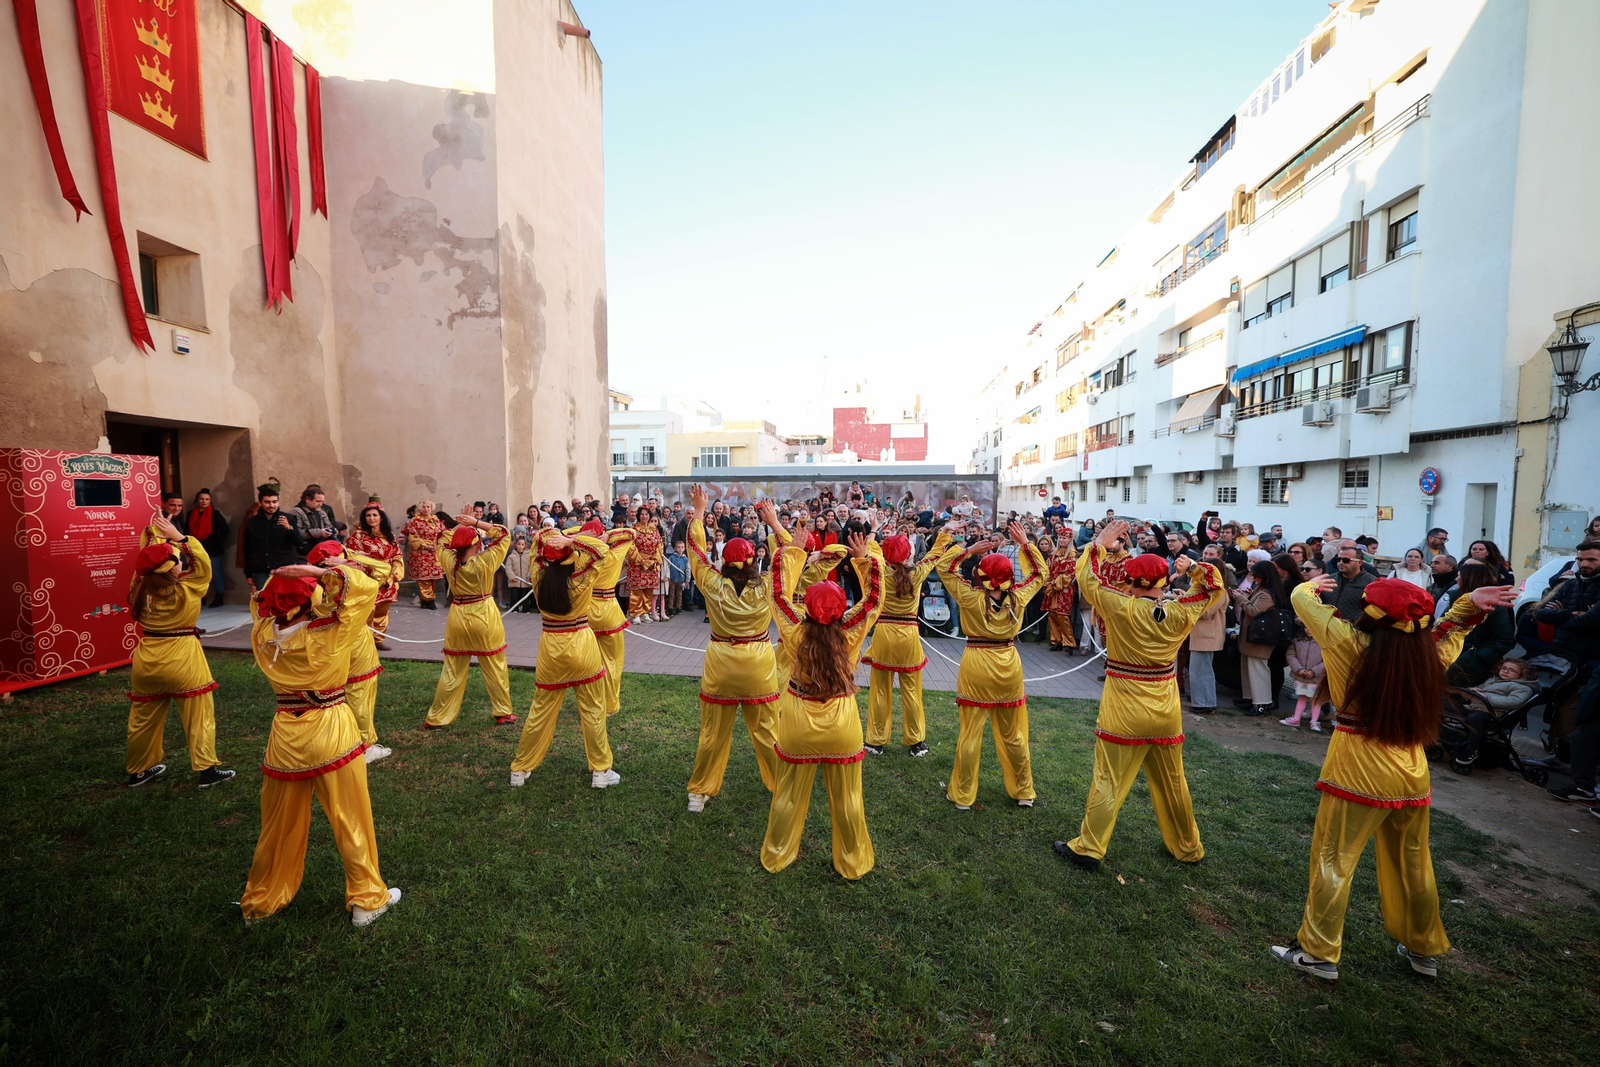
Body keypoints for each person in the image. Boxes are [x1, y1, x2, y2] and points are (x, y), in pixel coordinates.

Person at [1270, 572, 1513, 980]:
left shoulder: (1346, 641)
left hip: (1357, 770)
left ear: (1370, 612)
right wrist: (1470, 602)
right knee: (1414, 864)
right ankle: (1424, 949)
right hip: (1411, 771)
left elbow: (1299, 596)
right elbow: (1450, 628)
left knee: (1334, 860)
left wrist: (1312, 586)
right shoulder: (1427, 654)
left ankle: (1318, 953)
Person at [1053, 521, 1225, 870]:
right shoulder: (1181, 610)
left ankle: (1089, 848)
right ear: (1165, 581)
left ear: (1129, 580)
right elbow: (1214, 587)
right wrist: (1191, 567)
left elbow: (1088, 578)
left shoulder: (1119, 604)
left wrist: (1099, 543)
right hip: (1165, 709)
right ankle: (1187, 847)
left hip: (1123, 710)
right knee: (1174, 782)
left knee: (1109, 780)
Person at [240, 556, 400, 927]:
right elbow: (365, 588)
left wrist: (281, 579)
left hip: (284, 735)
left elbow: (263, 597)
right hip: (332, 731)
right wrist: (322, 571)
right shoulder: (331, 632)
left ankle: (261, 902)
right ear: (306, 600)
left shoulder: (261, 631)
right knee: (351, 818)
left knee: (278, 824)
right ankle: (367, 899)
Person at [761, 535, 882, 879]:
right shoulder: (852, 630)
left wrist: (795, 552)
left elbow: (777, 594)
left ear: (807, 607)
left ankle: (777, 855)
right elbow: (874, 600)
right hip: (842, 722)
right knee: (848, 800)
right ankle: (853, 862)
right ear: (842, 607)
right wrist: (866, 558)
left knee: (787, 795)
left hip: (798, 720)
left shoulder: (794, 629)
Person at [683, 489, 796, 813]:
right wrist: (774, 523)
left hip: (721, 664)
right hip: (758, 666)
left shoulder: (712, 582)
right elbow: (789, 556)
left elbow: (695, 550)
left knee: (712, 733)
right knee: (767, 731)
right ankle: (781, 788)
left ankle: (699, 793)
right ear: (753, 561)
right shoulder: (766, 587)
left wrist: (700, 509)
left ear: (724, 561)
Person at [936, 520, 1047, 810]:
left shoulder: (970, 596)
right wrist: (1026, 544)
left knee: (971, 732)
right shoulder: (1019, 597)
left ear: (981, 576)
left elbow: (943, 569)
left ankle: (962, 795)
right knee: (1013, 733)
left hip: (977, 663)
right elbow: (1040, 573)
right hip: (1008, 664)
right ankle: (1024, 792)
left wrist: (967, 549)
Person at [124, 515, 234, 789]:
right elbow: (203, 565)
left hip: (147, 660)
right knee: (199, 716)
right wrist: (181, 538)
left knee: (143, 718)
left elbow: (147, 559)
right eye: (177, 560)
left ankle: (139, 771)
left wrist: (154, 532)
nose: (181, 561)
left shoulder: (138, 588)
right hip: (184, 659)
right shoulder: (189, 588)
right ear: (172, 570)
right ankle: (207, 770)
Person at [509, 528, 619, 790]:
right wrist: (573, 538)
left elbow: (537, 541)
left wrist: (558, 536)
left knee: (540, 711)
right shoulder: (581, 579)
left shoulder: (538, 577)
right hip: (582, 645)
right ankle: (601, 771)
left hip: (551, 648)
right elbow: (602, 551)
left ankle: (521, 768)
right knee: (593, 710)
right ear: (571, 556)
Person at [860, 526, 952, 757]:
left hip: (884, 633)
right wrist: (946, 533)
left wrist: (872, 531)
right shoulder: (918, 573)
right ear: (909, 554)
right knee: (912, 691)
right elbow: (934, 555)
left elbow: (871, 553)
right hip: (909, 634)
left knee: (880, 690)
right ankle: (916, 742)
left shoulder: (879, 571)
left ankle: (875, 741)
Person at [422, 515, 517, 729]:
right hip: (483, 615)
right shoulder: (486, 561)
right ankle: (502, 713)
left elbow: (441, 539)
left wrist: (460, 527)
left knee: (452, 669)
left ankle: (437, 717)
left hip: (458, 615)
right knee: (495, 666)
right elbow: (503, 534)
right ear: (476, 543)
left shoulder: (449, 559)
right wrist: (474, 522)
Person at [307, 540, 393, 764]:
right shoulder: (356, 583)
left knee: (332, 695)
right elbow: (384, 568)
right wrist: (350, 560)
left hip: (325, 642)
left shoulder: (310, 585)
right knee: (360, 693)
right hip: (356, 642)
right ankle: (364, 748)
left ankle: (333, 743)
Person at [1539, 540, 1600, 805]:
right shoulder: (1571, 584)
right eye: (1581, 559)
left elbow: (1593, 621)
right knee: (1560, 706)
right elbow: (1541, 612)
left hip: (1592, 661)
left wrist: (1564, 614)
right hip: (1565, 657)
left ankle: (1581, 775)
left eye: (1591, 560)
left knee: (1580, 715)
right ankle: (1562, 757)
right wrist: (1572, 614)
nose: (1584, 564)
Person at [579, 518, 634, 718]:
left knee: (588, 663)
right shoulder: (613, 554)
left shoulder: (578, 555)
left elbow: (557, 536)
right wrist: (607, 535)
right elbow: (630, 533)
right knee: (613, 661)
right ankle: (610, 705)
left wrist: (582, 536)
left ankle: (591, 704)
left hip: (585, 612)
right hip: (609, 612)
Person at [1446, 658, 1539, 775]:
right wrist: (1470, 690)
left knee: (1474, 719)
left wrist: (1486, 698)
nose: (1505, 671)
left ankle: (1471, 750)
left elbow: (1514, 701)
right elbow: (1475, 691)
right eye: (1504, 668)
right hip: (1474, 707)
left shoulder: (1523, 688)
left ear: (1522, 674)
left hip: (1493, 713)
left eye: (1511, 670)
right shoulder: (1492, 680)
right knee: (1442, 706)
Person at [1444, 563, 1516, 687]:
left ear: (1470, 579)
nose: (1456, 579)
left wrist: (1473, 658)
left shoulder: (1493, 606)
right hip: (1446, 659)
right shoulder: (1453, 598)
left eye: (1459, 576)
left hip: (1468, 667)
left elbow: (1506, 640)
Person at [1235, 559, 1291, 715]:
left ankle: (1261, 703)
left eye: (1255, 575)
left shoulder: (1266, 593)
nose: (1253, 578)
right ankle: (1250, 698)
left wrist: (1240, 598)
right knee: (1248, 668)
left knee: (1258, 671)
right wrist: (1246, 596)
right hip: (1252, 637)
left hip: (1259, 639)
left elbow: (1253, 610)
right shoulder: (1262, 588)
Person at [346, 503, 404, 650]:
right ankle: (364, 640)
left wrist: (393, 576)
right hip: (368, 578)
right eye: (368, 515)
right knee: (367, 610)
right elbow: (354, 557)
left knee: (383, 610)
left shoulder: (389, 534)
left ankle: (378, 639)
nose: (371, 518)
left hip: (388, 579)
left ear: (381, 517)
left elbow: (397, 555)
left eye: (374, 515)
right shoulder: (358, 535)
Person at [1185, 554, 1226, 715]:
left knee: (1201, 671)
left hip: (1207, 637)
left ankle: (1205, 703)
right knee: (1199, 670)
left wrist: (1188, 605)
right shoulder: (1208, 591)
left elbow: (1206, 612)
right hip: (1202, 636)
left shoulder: (1219, 592)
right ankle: (1202, 701)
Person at [241, 484, 298, 594]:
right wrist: (248, 574)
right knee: (264, 604)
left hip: (283, 569)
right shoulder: (251, 522)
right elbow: (247, 549)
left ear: (278, 502)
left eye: (274, 502)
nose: (271, 505)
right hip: (260, 571)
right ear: (260, 503)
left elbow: (299, 542)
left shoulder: (288, 519)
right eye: (267, 502)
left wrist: (289, 528)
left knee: (285, 603)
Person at [184, 489, 229, 607]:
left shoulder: (215, 514)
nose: (204, 501)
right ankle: (201, 597)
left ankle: (219, 597)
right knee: (198, 573)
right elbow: (186, 531)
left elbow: (225, 529)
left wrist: (217, 542)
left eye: (207, 499)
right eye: (201, 499)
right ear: (197, 500)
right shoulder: (190, 514)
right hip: (196, 549)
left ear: (210, 501)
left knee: (216, 572)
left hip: (213, 549)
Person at [399, 500, 447, 609]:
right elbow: (413, 537)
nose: (426, 509)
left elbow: (443, 534)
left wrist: (438, 545)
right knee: (423, 578)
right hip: (420, 552)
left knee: (433, 578)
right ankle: (430, 600)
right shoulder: (414, 521)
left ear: (432, 508)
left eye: (428, 507)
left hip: (434, 553)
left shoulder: (436, 521)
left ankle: (424, 600)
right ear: (420, 508)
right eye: (424, 507)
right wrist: (425, 546)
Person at [1280, 620, 1327, 731]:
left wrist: (1314, 671)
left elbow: (1327, 661)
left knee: (1316, 699)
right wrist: (1299, 669)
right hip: (1301, 676)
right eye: (1306, 627)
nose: (1308, 630)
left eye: (1311, 627)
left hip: (1316, 678)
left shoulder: (1324, 643)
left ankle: (1314, 722)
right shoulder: (1297, 641)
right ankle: (1296, 719)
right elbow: (1290, 655)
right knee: (1302, 697)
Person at [627, 508, 665, 624]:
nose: (644, 516)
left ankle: (645, 612)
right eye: (642, 514)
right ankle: (635, 614)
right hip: (637, 564)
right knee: (637, 589)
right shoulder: (633, 530)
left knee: (648, 589)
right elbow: (631, 546)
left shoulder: (654, 530)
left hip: (652, 563)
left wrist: (655, 559)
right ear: (639, 516)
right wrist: (641, 561)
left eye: (646, 514)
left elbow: (660, 545)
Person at [1042, 536, 1079, 654]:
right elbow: (1047, 569)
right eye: (1060, 538)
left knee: (1063, 615)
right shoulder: (1053, 553)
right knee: (1052, 614)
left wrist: (1055, 584)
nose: (1061, 540)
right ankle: (1056, 640)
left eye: (1064, 538)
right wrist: (1048, 583)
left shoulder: (1072, 554)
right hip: (1052, 588)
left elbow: (1070, 572)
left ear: (1070, 540)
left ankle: (1069, 643)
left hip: (1064, 589)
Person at [1323, 545, 1376, 620]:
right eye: (1338, 559)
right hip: (1325, 627)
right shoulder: (1329, 580)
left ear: (1360, 562)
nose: (1341, 563)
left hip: (1354, 629)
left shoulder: (1372, 583)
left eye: (1346, 560)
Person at [288, 485, 339, 561]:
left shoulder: (322, 513)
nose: (321, 504)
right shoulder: (296, 512)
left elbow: (329, 526)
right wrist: (319, 533)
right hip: (303, 555)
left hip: (321, 553)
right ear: (308, 500)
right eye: (318, 501)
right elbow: (295, 532)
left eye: (322, 502)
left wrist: (332, 531)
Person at [504, 533, 535, 611]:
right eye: (518, 544)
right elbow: (508, 568)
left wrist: (529, 577)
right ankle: (514, 609)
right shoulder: (511, 556)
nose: (520, 546)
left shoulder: (528, 556)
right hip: (515, 581)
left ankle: (526, 610)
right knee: (514, 596)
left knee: (525, 597)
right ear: (515, 545)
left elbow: (531, 567)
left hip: (525, 581)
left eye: (522, 544)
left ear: (525, 545)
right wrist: (512, 577)